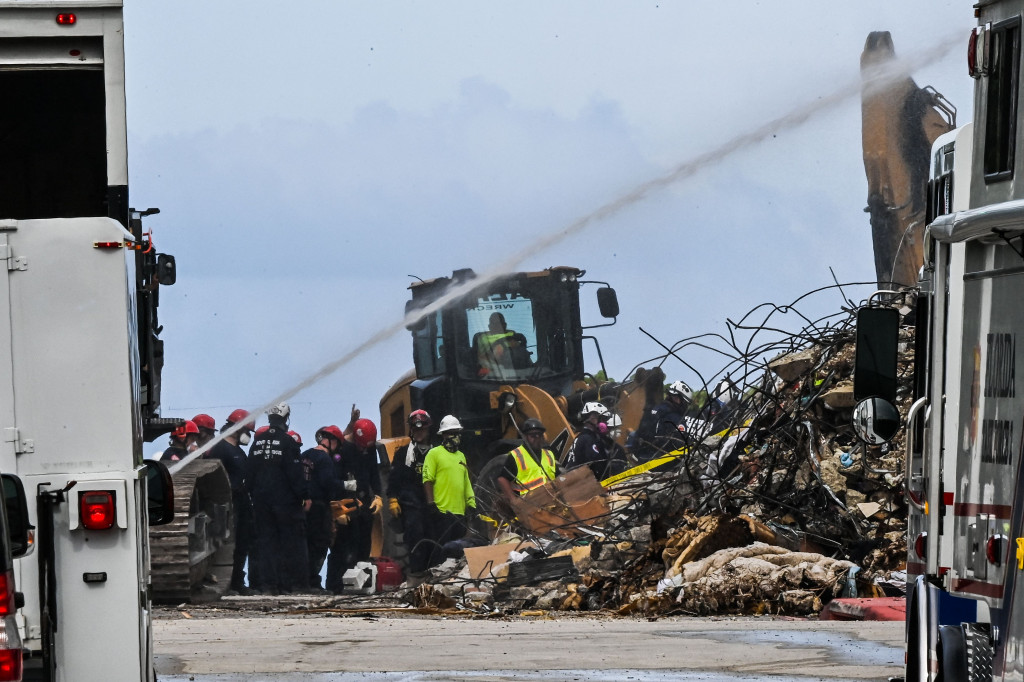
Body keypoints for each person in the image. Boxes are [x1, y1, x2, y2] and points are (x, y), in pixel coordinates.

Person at [247, 402, 310, 594]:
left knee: (266, 543)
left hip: (261, 502)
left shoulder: (257, 442)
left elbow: (249, 473)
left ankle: (268, 585)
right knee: (288, 543)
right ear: (285, 419)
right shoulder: (288, 442)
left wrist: (253, 493)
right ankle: (288, 585)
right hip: (285, 503)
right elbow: (295, 473)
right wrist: (304, 495)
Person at [326, 418, 383, 594]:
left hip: (364, 501)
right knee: (342, 547)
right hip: (345, 503)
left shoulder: (369, 448)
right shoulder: (342, 450)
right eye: (362, 447)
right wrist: (335, 511)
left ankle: (361, 585)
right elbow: (332, 480)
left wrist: (378, 495)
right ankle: (335, 586)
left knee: (363, 544)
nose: (364, 451)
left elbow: (374, 472)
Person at [205, 409, 256, 595]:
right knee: (229, 543)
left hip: (242, 502)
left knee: (242, 542)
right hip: (228, 503)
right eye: (246, 430)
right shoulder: (220, 449)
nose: (248, 435)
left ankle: (237, 582)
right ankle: (226, 582)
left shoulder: (238, 451)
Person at [422, 415, 476, 567]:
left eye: (457, 432)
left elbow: (466, 483)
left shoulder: (461, 456)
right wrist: (431, 504)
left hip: (459, 514)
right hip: (442, 512)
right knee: (441, 552)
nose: (455, 436)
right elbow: (427, 479)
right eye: (451, 432)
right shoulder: (434, 454)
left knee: (457, 553)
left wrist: (471, 503)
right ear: (444, 435)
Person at [387, 409, 434, 575]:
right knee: (415, 537)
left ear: (428, 429)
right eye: (415, 429)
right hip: (411, 504)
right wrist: (392, 498)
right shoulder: (402, 454)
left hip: (432, 504)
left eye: (422, 429)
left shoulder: (436, 452)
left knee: (433, 537)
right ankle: (416, 574)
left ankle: (433, 572)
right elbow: (394, 478)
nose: (419, 433)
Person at [302, 425, 341, 591]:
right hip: (319, 508)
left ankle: (303, 580)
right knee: (319, 544)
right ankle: (312, 581)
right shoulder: (325, 459)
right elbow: (328, 484)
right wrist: (345, 485)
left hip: (304, 507)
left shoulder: (305, 455)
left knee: (305, 544)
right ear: (332, 442)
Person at [496, 418, 558, 504]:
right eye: (533, 435)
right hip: (528, 504)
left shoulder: (549, 455)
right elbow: (502, 479)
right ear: (525, 437)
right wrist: (513, 500)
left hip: (551, 501)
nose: (537, 438)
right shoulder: (517, 455)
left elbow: (558, 477)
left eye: (539, 435)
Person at [632, 380, 692, 462]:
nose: (685, 406)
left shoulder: (655, 409)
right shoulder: (674, 417)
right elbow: (681, 444)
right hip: (662, 461)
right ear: (677, 398)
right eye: (685, 402)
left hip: (643, 456)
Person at [564, 402, 615, 479]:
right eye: (602, 419)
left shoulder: (584, 437)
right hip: (582, 482)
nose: (604, 423)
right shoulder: (587, 439)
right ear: (592, 418)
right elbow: (598, 465)